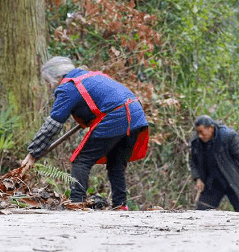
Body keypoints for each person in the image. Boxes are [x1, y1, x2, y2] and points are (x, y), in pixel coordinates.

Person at [20, 56, 149, 210]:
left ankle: (77, 203)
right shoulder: (91, 77)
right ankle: (120, 206)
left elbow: (52, 124)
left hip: (117, 115)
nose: (49, 85)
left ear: (56, 77)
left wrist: (33, 153)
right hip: (136, 114)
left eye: (48, 82)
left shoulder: (68, 87)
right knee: (115, 162)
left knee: (81, 160)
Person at [189, 115, 239, 212]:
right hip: (213, 182)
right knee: (202, 211)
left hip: (234, 180)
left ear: (210, 128)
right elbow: (194, 162)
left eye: (201, 132)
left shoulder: (228, 136)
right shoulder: (196, 142)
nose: (199, 136)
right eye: (197, 132)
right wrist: (198, 178)